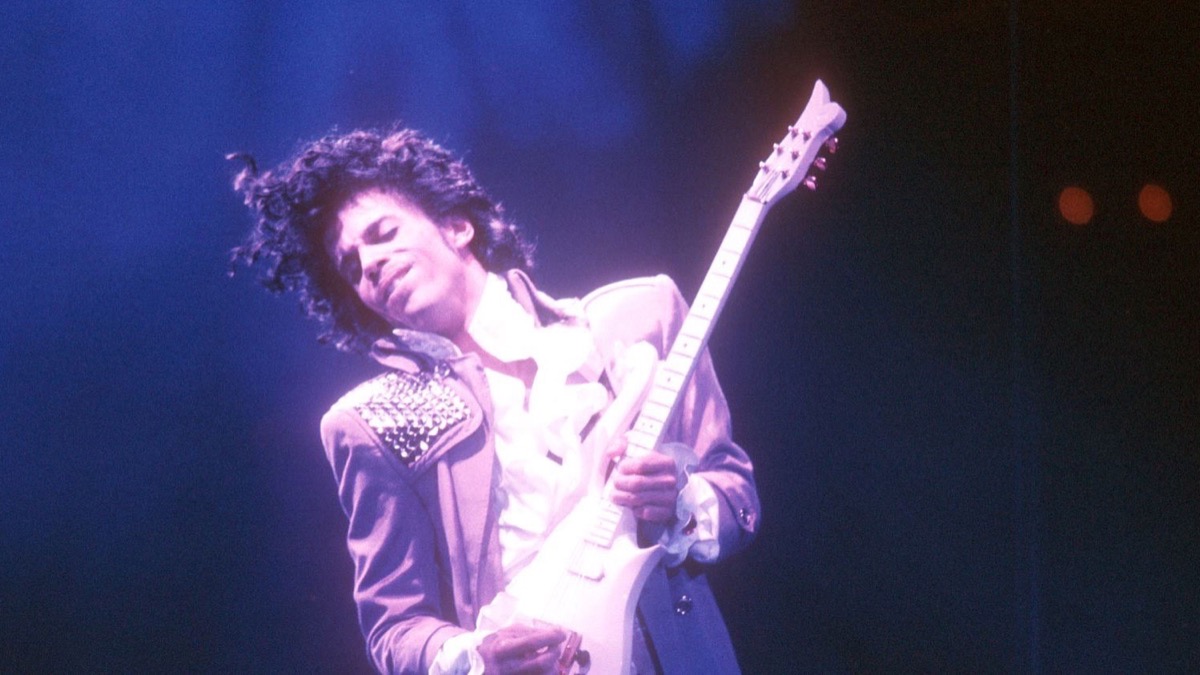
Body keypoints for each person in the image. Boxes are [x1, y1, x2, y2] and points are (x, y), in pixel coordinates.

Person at [230, 127, 760, 674]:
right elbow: (395, 628)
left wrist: (681, 497)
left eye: (384, 233)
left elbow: (736, 494)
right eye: (352, 267)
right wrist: (476, 658)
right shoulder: (369, 423)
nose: (371, 264)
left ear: (457, 226)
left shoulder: (640, 317)